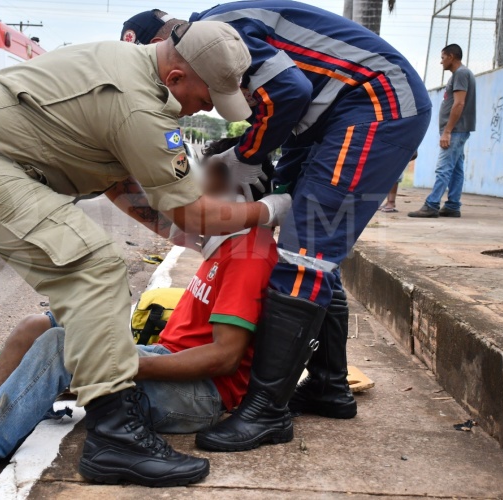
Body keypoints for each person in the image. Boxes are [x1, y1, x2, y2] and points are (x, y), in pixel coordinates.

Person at [0, 20, 293, 487]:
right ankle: (116, 436)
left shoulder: (119, 65)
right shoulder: (141, 105)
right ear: (177, 78)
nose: (199, 111)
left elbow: (121, 186)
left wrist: (189, 238)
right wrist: (265, 211)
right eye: (204, 101)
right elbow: (193, 211)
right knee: (94, 266)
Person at [0, 139, 279, 499]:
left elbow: (225, 358)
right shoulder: (223, 240)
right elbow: (147, 210)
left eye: (209, 174)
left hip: (200, 395)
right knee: (38, 327)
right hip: (166, 361)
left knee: (62, 348)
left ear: (237, 188)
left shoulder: (250, 253)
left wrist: (124, 364)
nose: (196, 182)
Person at [121, 1, 432, 452]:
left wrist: (246, 157)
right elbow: (285, 95)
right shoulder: (217, 33)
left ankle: (267, 410)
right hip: (331, 115)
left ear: (164, 43)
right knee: (310, 252)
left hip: (376, 101)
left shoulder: (213, 35)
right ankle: (328, 384)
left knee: (304, 253)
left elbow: (287, 91)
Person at [408, 44, 476, 218]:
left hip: (455, 131)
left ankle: (432, 204)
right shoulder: (461, 74)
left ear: (451, 56)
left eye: (443, 57)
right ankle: (453, 205)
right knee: (456, 169)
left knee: (444, 168)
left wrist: (447, 131)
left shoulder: (461, 73)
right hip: (458, 130)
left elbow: (459, 103)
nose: (441, 62)